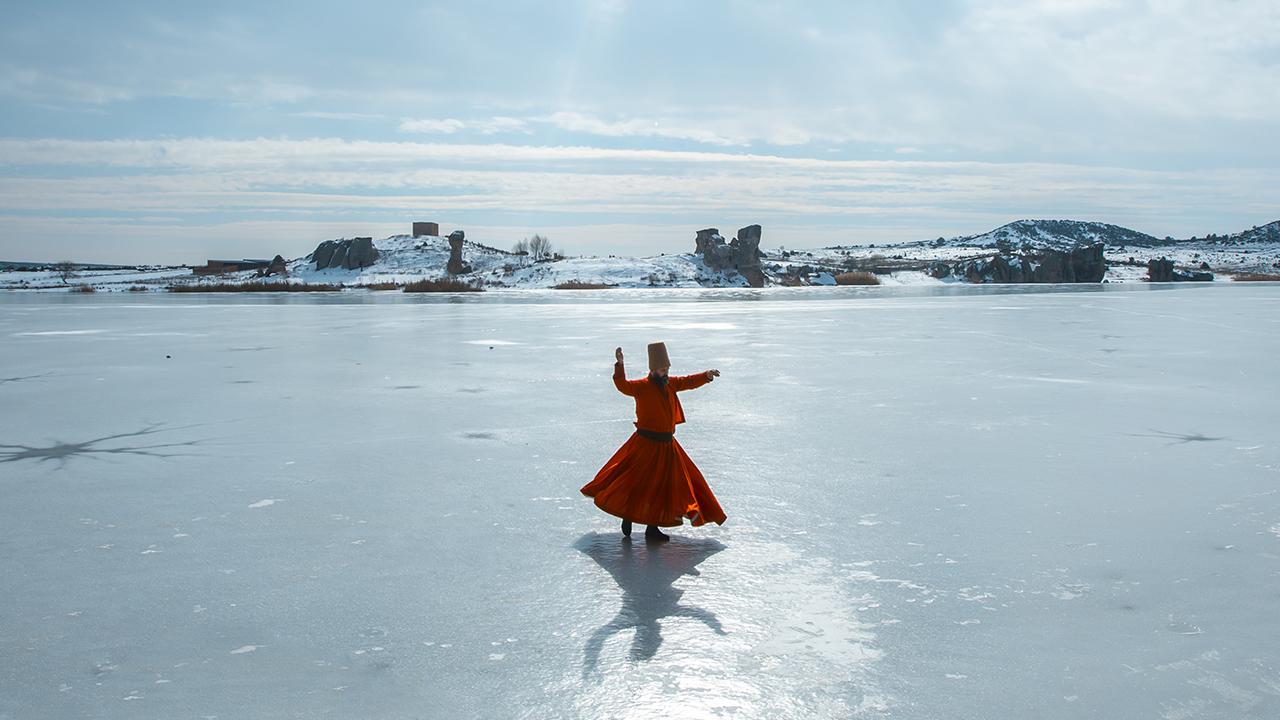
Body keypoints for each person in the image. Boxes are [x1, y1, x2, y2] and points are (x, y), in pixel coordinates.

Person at [580, 342, 726, 541]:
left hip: (667, 446)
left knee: (662, 487)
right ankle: (628, 516)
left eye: (667, 370)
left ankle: (652, 528)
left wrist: (706, 376)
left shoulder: (671, 383)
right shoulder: (641, 387)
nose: (666, 373)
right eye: (662, 370)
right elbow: (622, 386)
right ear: (652, 370)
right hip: (645, 445)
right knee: (637, 483)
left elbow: (688, 381)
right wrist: (619, 365)